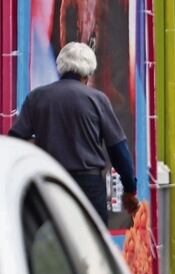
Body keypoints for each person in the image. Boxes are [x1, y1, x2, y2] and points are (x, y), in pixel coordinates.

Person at [8, 42, 138, 222]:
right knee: (91, 238)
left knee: (52, 237)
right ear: (88, 73)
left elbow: (14, 140)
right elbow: (118, 150)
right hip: (89, 188)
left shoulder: (36, 98)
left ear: (61, 67)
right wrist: (130, 190)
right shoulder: (97, 100)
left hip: (50, 184)